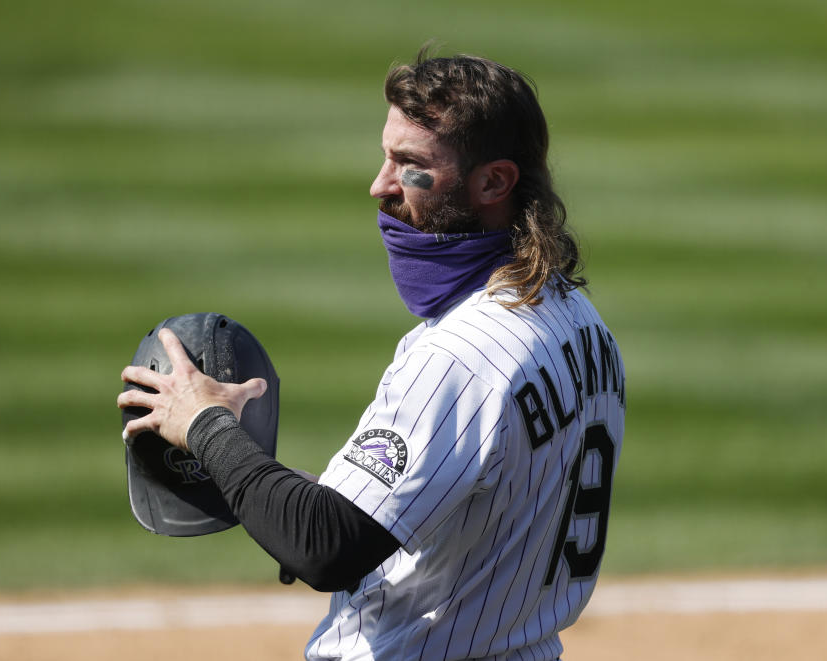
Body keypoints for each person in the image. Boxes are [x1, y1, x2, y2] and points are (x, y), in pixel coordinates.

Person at [117, 49, 626, 661]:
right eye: (387, 155)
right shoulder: (578, 319)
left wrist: (206, 426)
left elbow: (330, 547)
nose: (380, 184)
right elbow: (446, 508)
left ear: (493, 182)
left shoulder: (462, 355)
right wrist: (266, 488)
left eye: (409, 164)